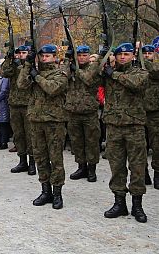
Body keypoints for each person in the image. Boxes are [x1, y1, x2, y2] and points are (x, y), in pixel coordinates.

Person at [102, 43, 149, 223]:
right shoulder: (107, 72)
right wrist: (103, 57)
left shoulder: (140, 72)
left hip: (134, 127)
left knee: (137, 167)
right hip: (113, 127)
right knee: (117, 167)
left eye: (126, 54)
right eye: (119, 54)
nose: (122, 57)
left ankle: (137, 205)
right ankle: (119, 202)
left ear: (133, 56)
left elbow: (135, 84)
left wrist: (113, 74)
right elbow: (88, 79)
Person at [17, 44, 68, 209]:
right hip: (36, 120)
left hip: (54, 121)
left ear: (54, 57)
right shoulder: (34, 71)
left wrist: (37, 76)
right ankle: (45, 190)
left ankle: (57, 192)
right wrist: (27, 65)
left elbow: (52, 89)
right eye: (42, 56)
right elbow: (21, 84)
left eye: (47, 56)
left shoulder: (60, 73)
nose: (44, 58)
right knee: (40, 157)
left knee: (56, 158)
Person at [63, 45, 101, 182]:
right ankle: (81, 167)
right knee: (77, 142)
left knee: (91, 142)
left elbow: (88, 79)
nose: (82, 58)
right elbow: (61, 77)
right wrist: (67, 61)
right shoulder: (71, 68)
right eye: (79, 55)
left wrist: (76, 70)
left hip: (89, 112)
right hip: (73, 112)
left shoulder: (93, 68)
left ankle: (92, 169)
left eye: (84, 55)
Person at [1, 45, 35, 175]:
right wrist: (8, 59)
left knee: (30, 135)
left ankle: (32, 162)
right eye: (19, 53)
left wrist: (26, 63)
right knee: (18, 135)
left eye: (24, 53)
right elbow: (4, 72)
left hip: (28, 104)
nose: (21, 55)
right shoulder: (14, 65)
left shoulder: (31, 66)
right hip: (14, 104)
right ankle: (22, 161)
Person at [142, 44, 159, 189]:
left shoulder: (155, 68)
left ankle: (157, 173)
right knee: (140, 147)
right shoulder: (136, 69)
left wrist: (142, 60)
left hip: (154, 113)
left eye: (149, 53)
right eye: (144, 53)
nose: (147, 55)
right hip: (138, 114)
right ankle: (143, 173)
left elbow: (154, 72)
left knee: (157, 145)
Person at [0, 74, 11, 150]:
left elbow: (4, 91)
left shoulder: (5, 79)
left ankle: (4, 141)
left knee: (3, 123)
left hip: (2, 103)